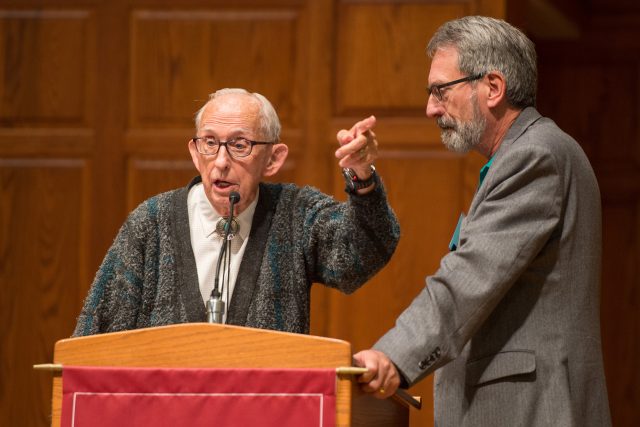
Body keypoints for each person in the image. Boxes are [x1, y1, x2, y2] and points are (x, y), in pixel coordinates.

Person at [353, 16, 611, 427]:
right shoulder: (525, 154)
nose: (431, 107)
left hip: (533, 412)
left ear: (493, 87)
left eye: (441, 90)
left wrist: (393, 356)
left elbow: (469, 277)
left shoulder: (535, 156)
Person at [73, 88, 399, 336]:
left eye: (240, 145)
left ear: (273, 159)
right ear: (195, 152)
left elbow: (363, 252)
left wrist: (361, 173)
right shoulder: (151, 222)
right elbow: (95, 334)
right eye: (210, 143)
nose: (221, 161)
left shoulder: (296, 215)